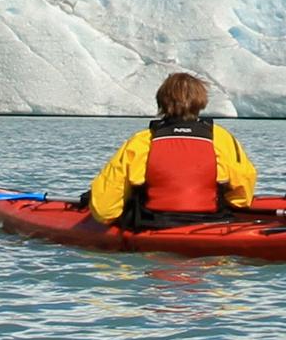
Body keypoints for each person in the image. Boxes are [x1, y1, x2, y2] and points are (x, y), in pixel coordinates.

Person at [84, 71, 258, 227]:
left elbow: (105, 209)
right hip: (211, 220)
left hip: (152, 223)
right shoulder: (221, 138)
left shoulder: (143, 141)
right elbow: (243, 196)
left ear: (161, 102)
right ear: (201, 102)